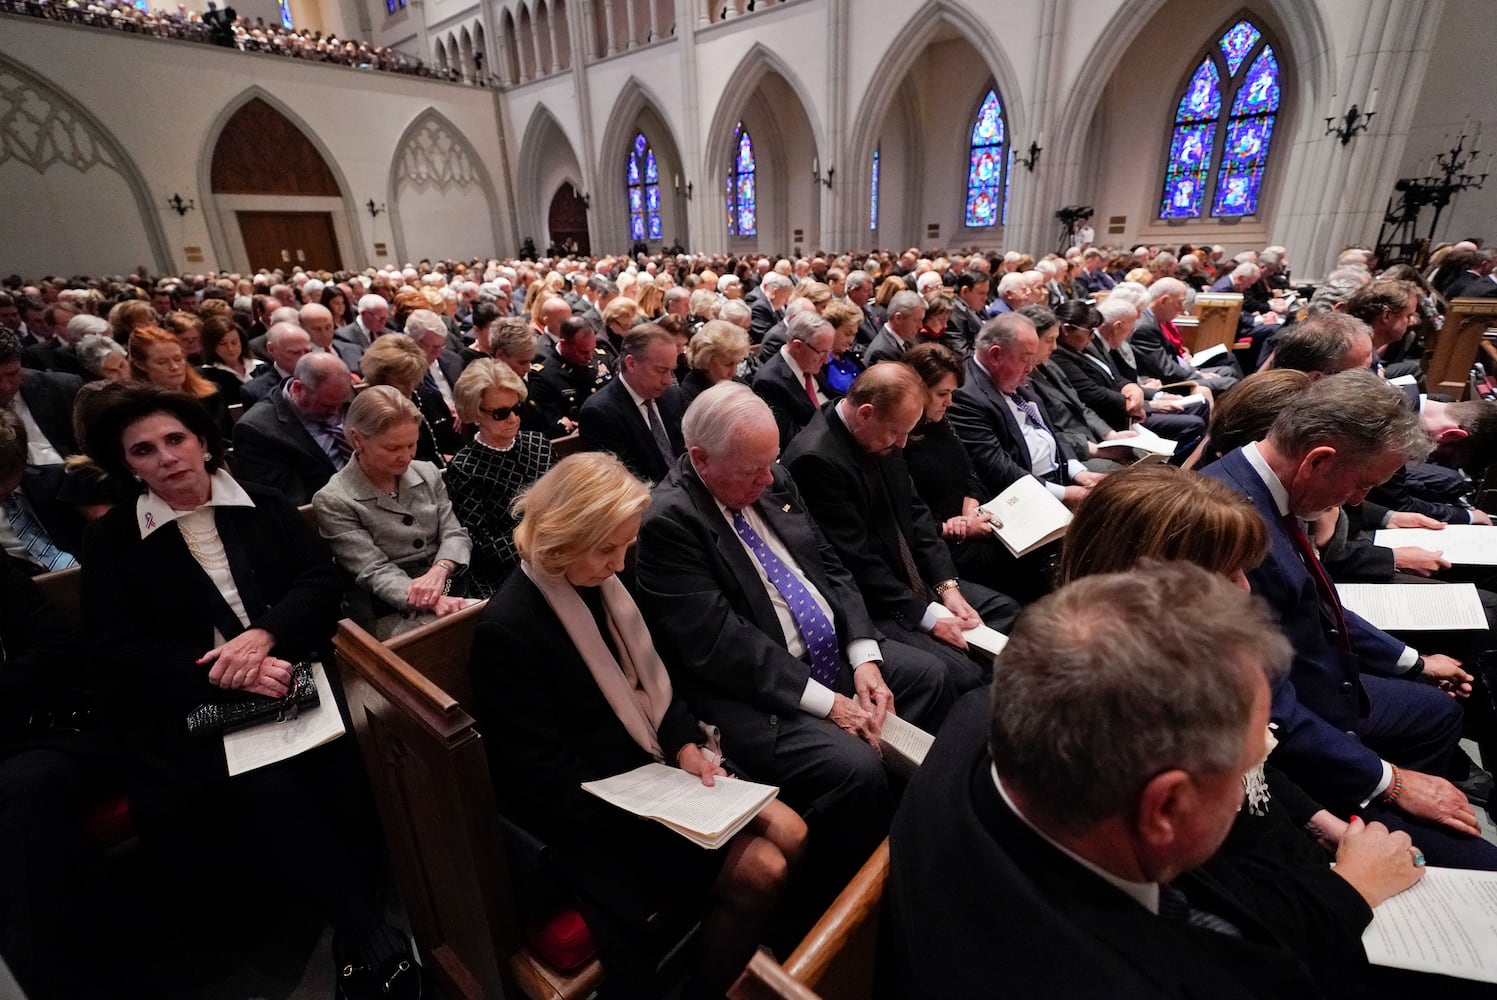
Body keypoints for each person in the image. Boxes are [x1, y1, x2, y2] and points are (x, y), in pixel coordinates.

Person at [79, 384, 407, 988]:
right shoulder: (114, 539)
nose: (166, 458)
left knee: (349, 759)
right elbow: (116, 648)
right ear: (129, 465)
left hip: (290, 666)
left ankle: (365, 921)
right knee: (269, 783)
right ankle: (364, 933)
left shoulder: (263, 503)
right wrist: (224, 671)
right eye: (144, 451)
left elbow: (317, 582)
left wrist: (262, 638)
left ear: (203, 442)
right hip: (194, 693)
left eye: (175, 439)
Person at [889, 564, 1341, 998]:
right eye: (1252, 759)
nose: (1253, 779)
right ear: (1165, 808)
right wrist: (1343, 898)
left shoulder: (978, 719)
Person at [468, 452, 806, 997]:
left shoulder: (604, 580)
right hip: (599, 815)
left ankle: (746, 953)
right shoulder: (508, 631)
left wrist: (684, 747)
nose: (621, 565)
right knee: (761, 869)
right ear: (560, 536)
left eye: (627, 545)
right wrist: (657, 805)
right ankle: (706, 984)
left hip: (652, 770)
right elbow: (539, 781)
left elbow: (655, 680)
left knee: (794, 829)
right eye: (608, 548)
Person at [636, 382, 954, 906]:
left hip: (827, 651)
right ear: (700, 459)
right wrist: (833, 705)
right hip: (755, 687)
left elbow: (830, 566)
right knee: (854, 768)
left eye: (770, 464)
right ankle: (856, 900)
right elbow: (722, 647)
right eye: (750, 471)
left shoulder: (771, 474)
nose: (768, 480)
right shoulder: (669, 521)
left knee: (928, 677)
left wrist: (864, 658)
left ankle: (919, 827)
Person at [1202, 369, 1497, 869]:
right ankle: (1380, 818)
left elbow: (1319, 602)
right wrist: (1389, 782)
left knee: (1439, 710)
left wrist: (1415, 662)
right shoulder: (1232, 525)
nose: (1361, 500)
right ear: (1319, 460)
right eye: (1362, 484)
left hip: (1316, 684)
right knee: (1482, 867)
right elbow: (1266, 709)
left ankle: (1401, 810)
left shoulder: (1266, 484)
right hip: (1288, 737)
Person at [783, 363, 1020, 693]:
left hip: (912, 577)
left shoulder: (883, 434)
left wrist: (946, 585)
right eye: (897, 432)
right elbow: (856, 560)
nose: (904, 443)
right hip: (875, 600)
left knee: (1004, 611)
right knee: (963, 672)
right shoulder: (815, 459)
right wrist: (928, 617)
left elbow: (916, 513)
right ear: (866, 413)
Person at [313, 386, 472, 639]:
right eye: (392, 448)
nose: (406, 456)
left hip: (449, 582)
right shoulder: (334, 499)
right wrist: (431, 600)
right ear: (357, 439)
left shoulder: (427, 472)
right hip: (386, 607)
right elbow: (372, 570)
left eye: (412, 445)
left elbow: (455, 534)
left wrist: (439, 570)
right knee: (458, 635)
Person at [947, 313, 1104, 507]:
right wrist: (1065, 493)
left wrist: (1077, 471)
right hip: (1024, 497)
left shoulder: (1012, 378)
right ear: (995, 355)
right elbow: (996, 468)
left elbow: (1049, 431)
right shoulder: (966, 395)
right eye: (1024, 359)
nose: (1030, 368)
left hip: (1060, 476)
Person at [444, 359, 555, 598]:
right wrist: (542, 545)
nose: (514, 419)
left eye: (517, 408)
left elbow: (568, 499)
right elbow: (482, 543)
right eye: (501, 413)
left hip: (562, 550)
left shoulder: (538, 444)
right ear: (475, 414)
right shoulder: (465, 468)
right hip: (511, 572)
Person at [232, 352, 354, 507]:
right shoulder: (256, 431)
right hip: (327, 510)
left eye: (341, 404)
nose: (335, 412)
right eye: (326, 405)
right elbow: (290, 500)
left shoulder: (341, 397)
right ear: (297, 388)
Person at [577, 324, 686, 483]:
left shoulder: (672, 396)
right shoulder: (600, 412)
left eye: (671, 371)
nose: (668, 380)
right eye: (661, 371)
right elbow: (623, 484)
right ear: (631, 364)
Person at [359, 333, 451, 467]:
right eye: (402, 381)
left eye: (413, 380)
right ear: (380, 377)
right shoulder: (370, 411)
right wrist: (440, 460)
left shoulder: (429, 396)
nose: (410, 388)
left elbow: (453, 441)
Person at [128, 325, 231, 436]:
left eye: (178, 359)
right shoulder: (137, 409)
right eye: (162, 362)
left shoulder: (211, 394)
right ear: (140, 365)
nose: (174, 367)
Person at [752, 310, 835, 448]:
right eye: (822, 353)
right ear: (797, 346)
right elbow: (790, 438)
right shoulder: (769, 382)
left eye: (828, 352)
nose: (826, 360)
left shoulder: (811, 361)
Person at [527, 315, 612, 439]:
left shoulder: (601, 357)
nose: (590, 357)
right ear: (563, 344)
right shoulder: (544, 376)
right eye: (583, 352)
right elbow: (553, 423)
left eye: (592, 349)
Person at [680, 319, 750, 406]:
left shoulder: (739, 384)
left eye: (737, 363)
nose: (734, 372)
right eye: (728, 364)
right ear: (705, 361)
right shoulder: (689, 398)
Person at [197, 313, 264, 398]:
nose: (230, 349)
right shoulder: (204, 375)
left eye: (234, 342)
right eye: (222, 344)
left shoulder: (261, 367)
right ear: (211, 346)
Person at [819, 299, 866, 396]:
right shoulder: (820, 364)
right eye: (847, 334)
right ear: (831, 329)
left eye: (853, 335)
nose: (851, 341)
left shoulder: (850, 357)